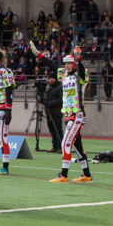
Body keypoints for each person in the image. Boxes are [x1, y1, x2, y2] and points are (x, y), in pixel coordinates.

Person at [31, 43, 93, 183]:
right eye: (66, 63)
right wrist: (39, 55)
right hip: (68, 114)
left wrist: (79, 58)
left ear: (74, 64)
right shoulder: (63, 74)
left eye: (70, 63)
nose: (67, 66)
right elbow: (52, 65)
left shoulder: (80, 75)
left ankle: (64, 175)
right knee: (77, 145)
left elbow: (82, 71)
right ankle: (87, 175)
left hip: (77, 114)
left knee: (66, 142)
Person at [43, 73, 63, 152]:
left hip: (57, 112)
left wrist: (48, 103)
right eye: (49, 78)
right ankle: (54, 146)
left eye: (52, 78)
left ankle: (60, 147)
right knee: (51, 130)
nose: (51, 80)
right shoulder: (48, 87)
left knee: (58, 130)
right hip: (49, 112)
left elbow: (60, 100)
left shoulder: (60, 87)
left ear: (55, 79)